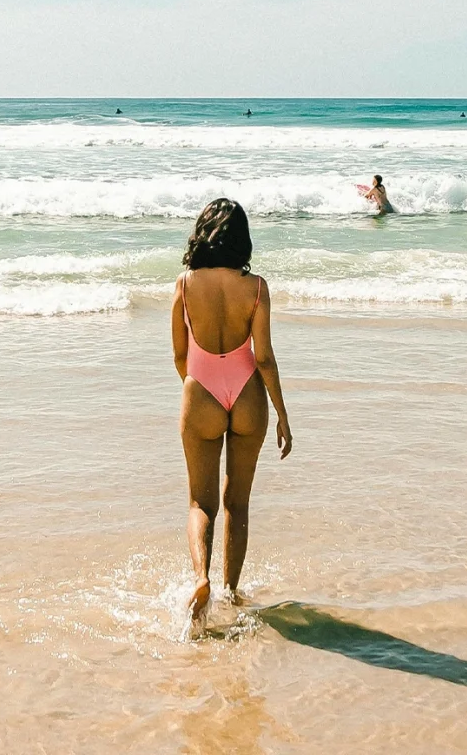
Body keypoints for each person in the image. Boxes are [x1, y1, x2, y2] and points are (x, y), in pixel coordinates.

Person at [171, 199, 292, 628]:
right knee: (236, 504)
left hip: (201, 390)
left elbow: (180, 354)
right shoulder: (256, 287)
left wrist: (199, 387)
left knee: (200, 503)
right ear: (242, 238)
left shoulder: (185, 284)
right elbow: (264, 359)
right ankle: (232, 592)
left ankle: (200, 579)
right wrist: (282, 414)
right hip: (246, 396)